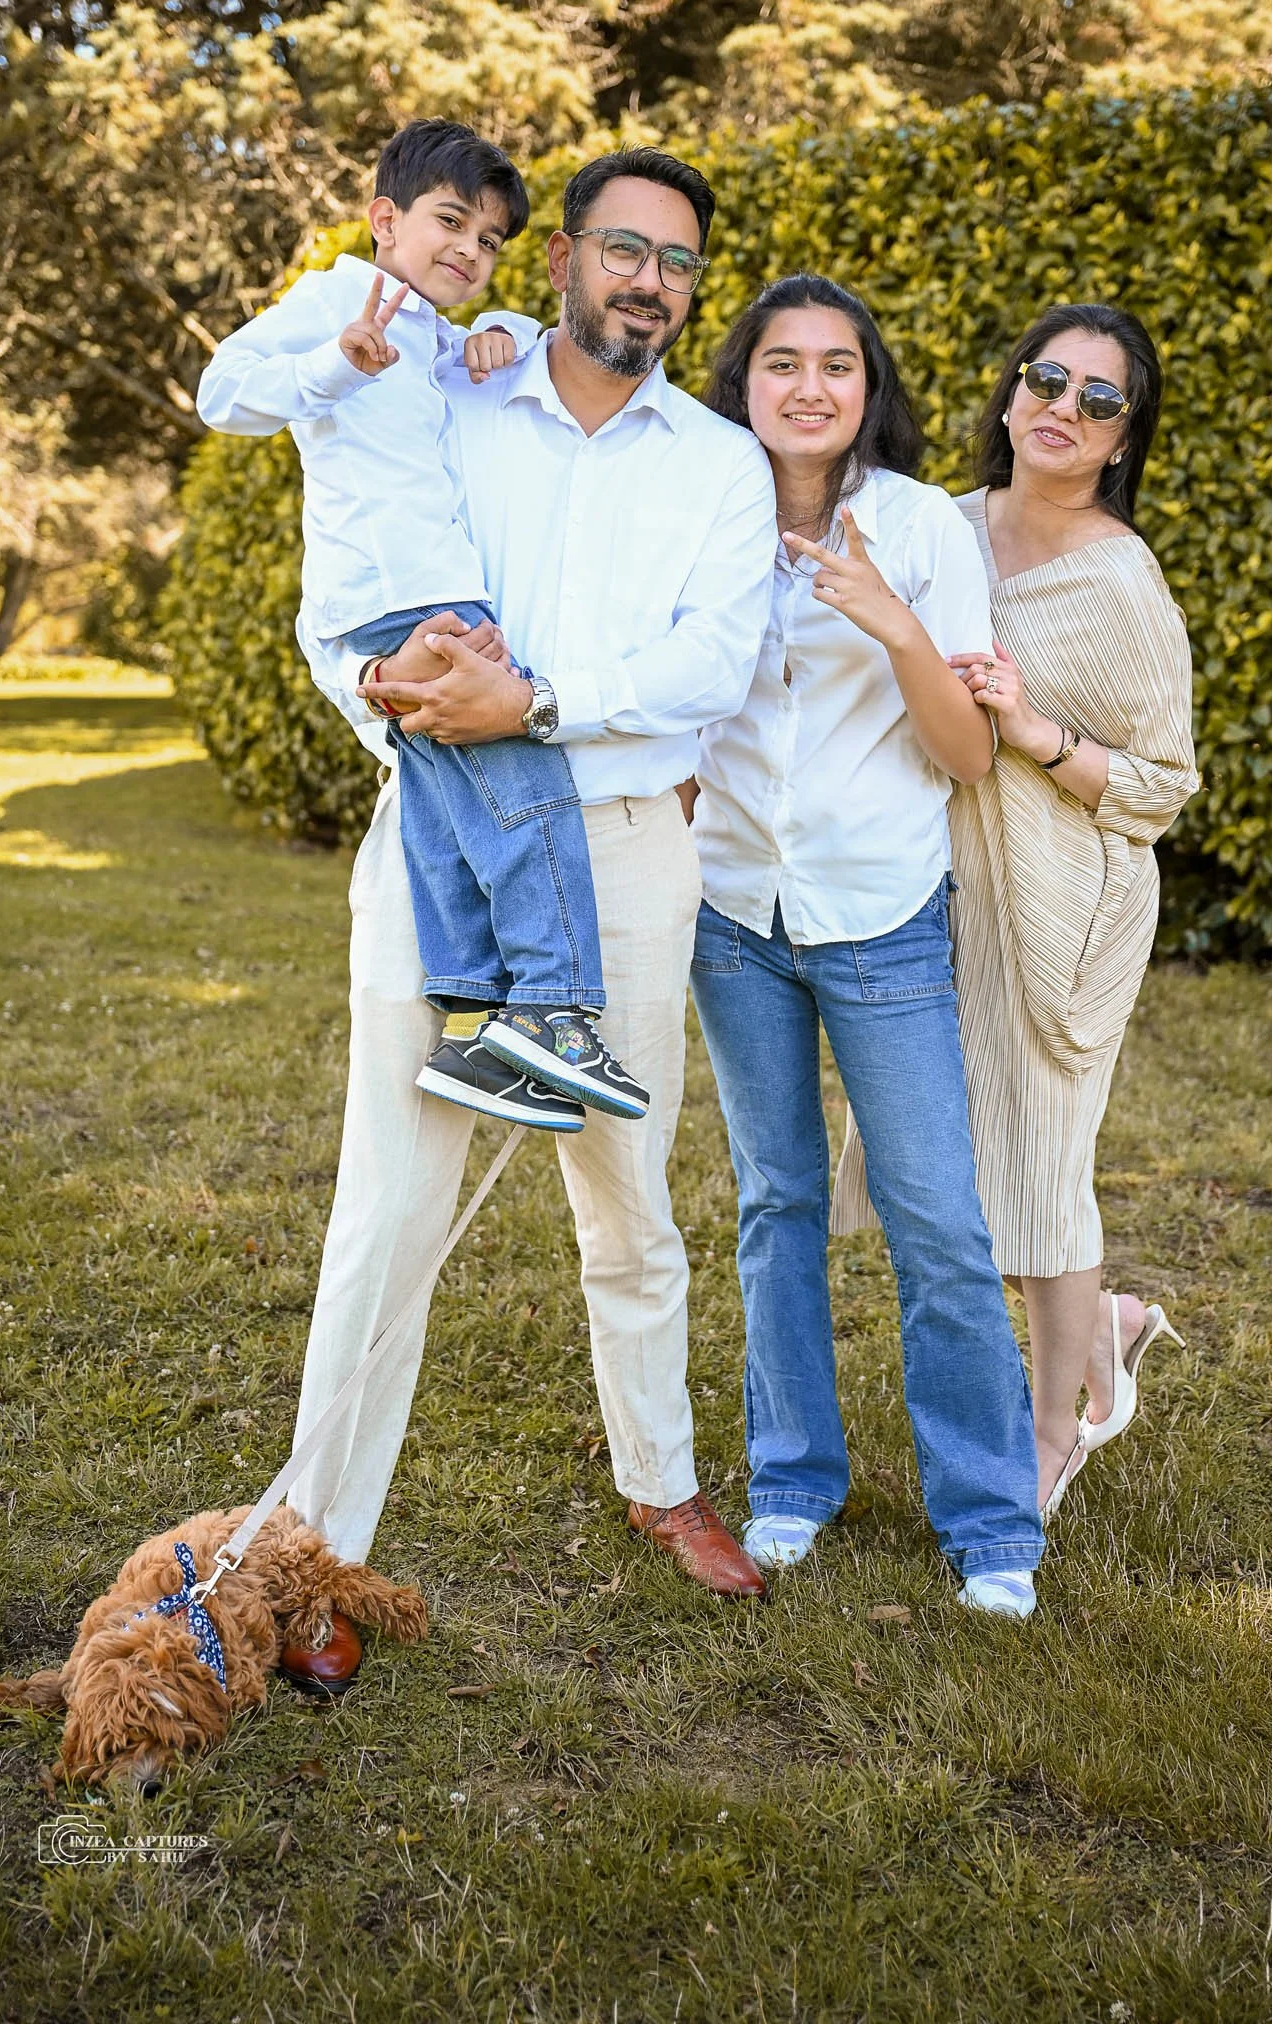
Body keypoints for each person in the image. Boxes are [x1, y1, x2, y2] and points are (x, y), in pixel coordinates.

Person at [278, 148, 781, 1690]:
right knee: (391, 1205)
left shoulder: (716, 462)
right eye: (620, 247)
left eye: (675, 262)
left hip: (629, 851)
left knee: (627, 1193)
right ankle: (311, 1550)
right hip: (436, 832)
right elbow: (346, 580)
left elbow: (712, 663)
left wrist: (539, 699)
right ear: (557, 259)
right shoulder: (440, 395)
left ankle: (662, 1481)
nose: (646, 278)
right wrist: (392, 698)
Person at [687, 274, 1045, 1621]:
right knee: (773, 1204)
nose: (808, 389)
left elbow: (961, 755)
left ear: (867, 390)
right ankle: (788, 1479)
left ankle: (989, 1520)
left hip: (880, 912)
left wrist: (891, 618)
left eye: (836, 366)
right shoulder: (700, 517)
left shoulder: (914, 528)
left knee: (936, 1224)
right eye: (780, 363)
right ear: (745, 382)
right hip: (735, 913)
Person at [197, 118, 647, 1132]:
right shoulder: (333, 301)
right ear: (385, 218)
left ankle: (474, 1023)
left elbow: (478, 389)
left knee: (441, 816)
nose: (469, 252)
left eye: (489, 242)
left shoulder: (440, 334)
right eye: (451, 222)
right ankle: (554, 1006)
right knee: (525, 780)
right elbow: (220, 392)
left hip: (412, 590)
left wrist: (491, 343)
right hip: (409, 593)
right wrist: (334, 364)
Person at [832, 304, 1198, 1518]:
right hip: (932, 890)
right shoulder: (935, 525)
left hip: (1062, 906)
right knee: (951, 1168)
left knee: (1041, 1174)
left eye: (1100, 399)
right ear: (1010, 394)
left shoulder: (1123, 581)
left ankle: (1051, 1433)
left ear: (1119, 438)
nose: (1065, 408)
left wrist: (1037, 729)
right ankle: (1103, 1318)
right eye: (1050, 379)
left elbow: (1162, 786)